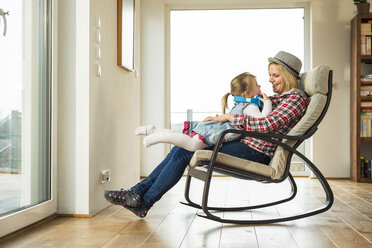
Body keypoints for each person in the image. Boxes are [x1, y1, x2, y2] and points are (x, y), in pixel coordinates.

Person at [104, 51, 310, 218]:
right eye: (270, 75)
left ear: (289, 75)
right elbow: (252, 114)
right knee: (183, 146)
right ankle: (137, 194)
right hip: (244, 142)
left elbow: (266, 125)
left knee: (186, 150)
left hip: (256, 151)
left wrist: (230, 118)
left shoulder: (296, 98)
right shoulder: (275, 98)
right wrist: (220, 119)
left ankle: (143, 201)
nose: (270, 80)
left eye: (275, 76)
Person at [135, 72, 272, 152]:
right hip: (214, 134)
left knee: (183, 135)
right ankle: (157, 137)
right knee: (192, 145)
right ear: (247, 93)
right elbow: (263, 119)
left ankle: (155, 130)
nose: (260, 86)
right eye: (257, 85)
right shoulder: (250, 107)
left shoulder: (239, 105)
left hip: (211, 129)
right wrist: (267, 102)